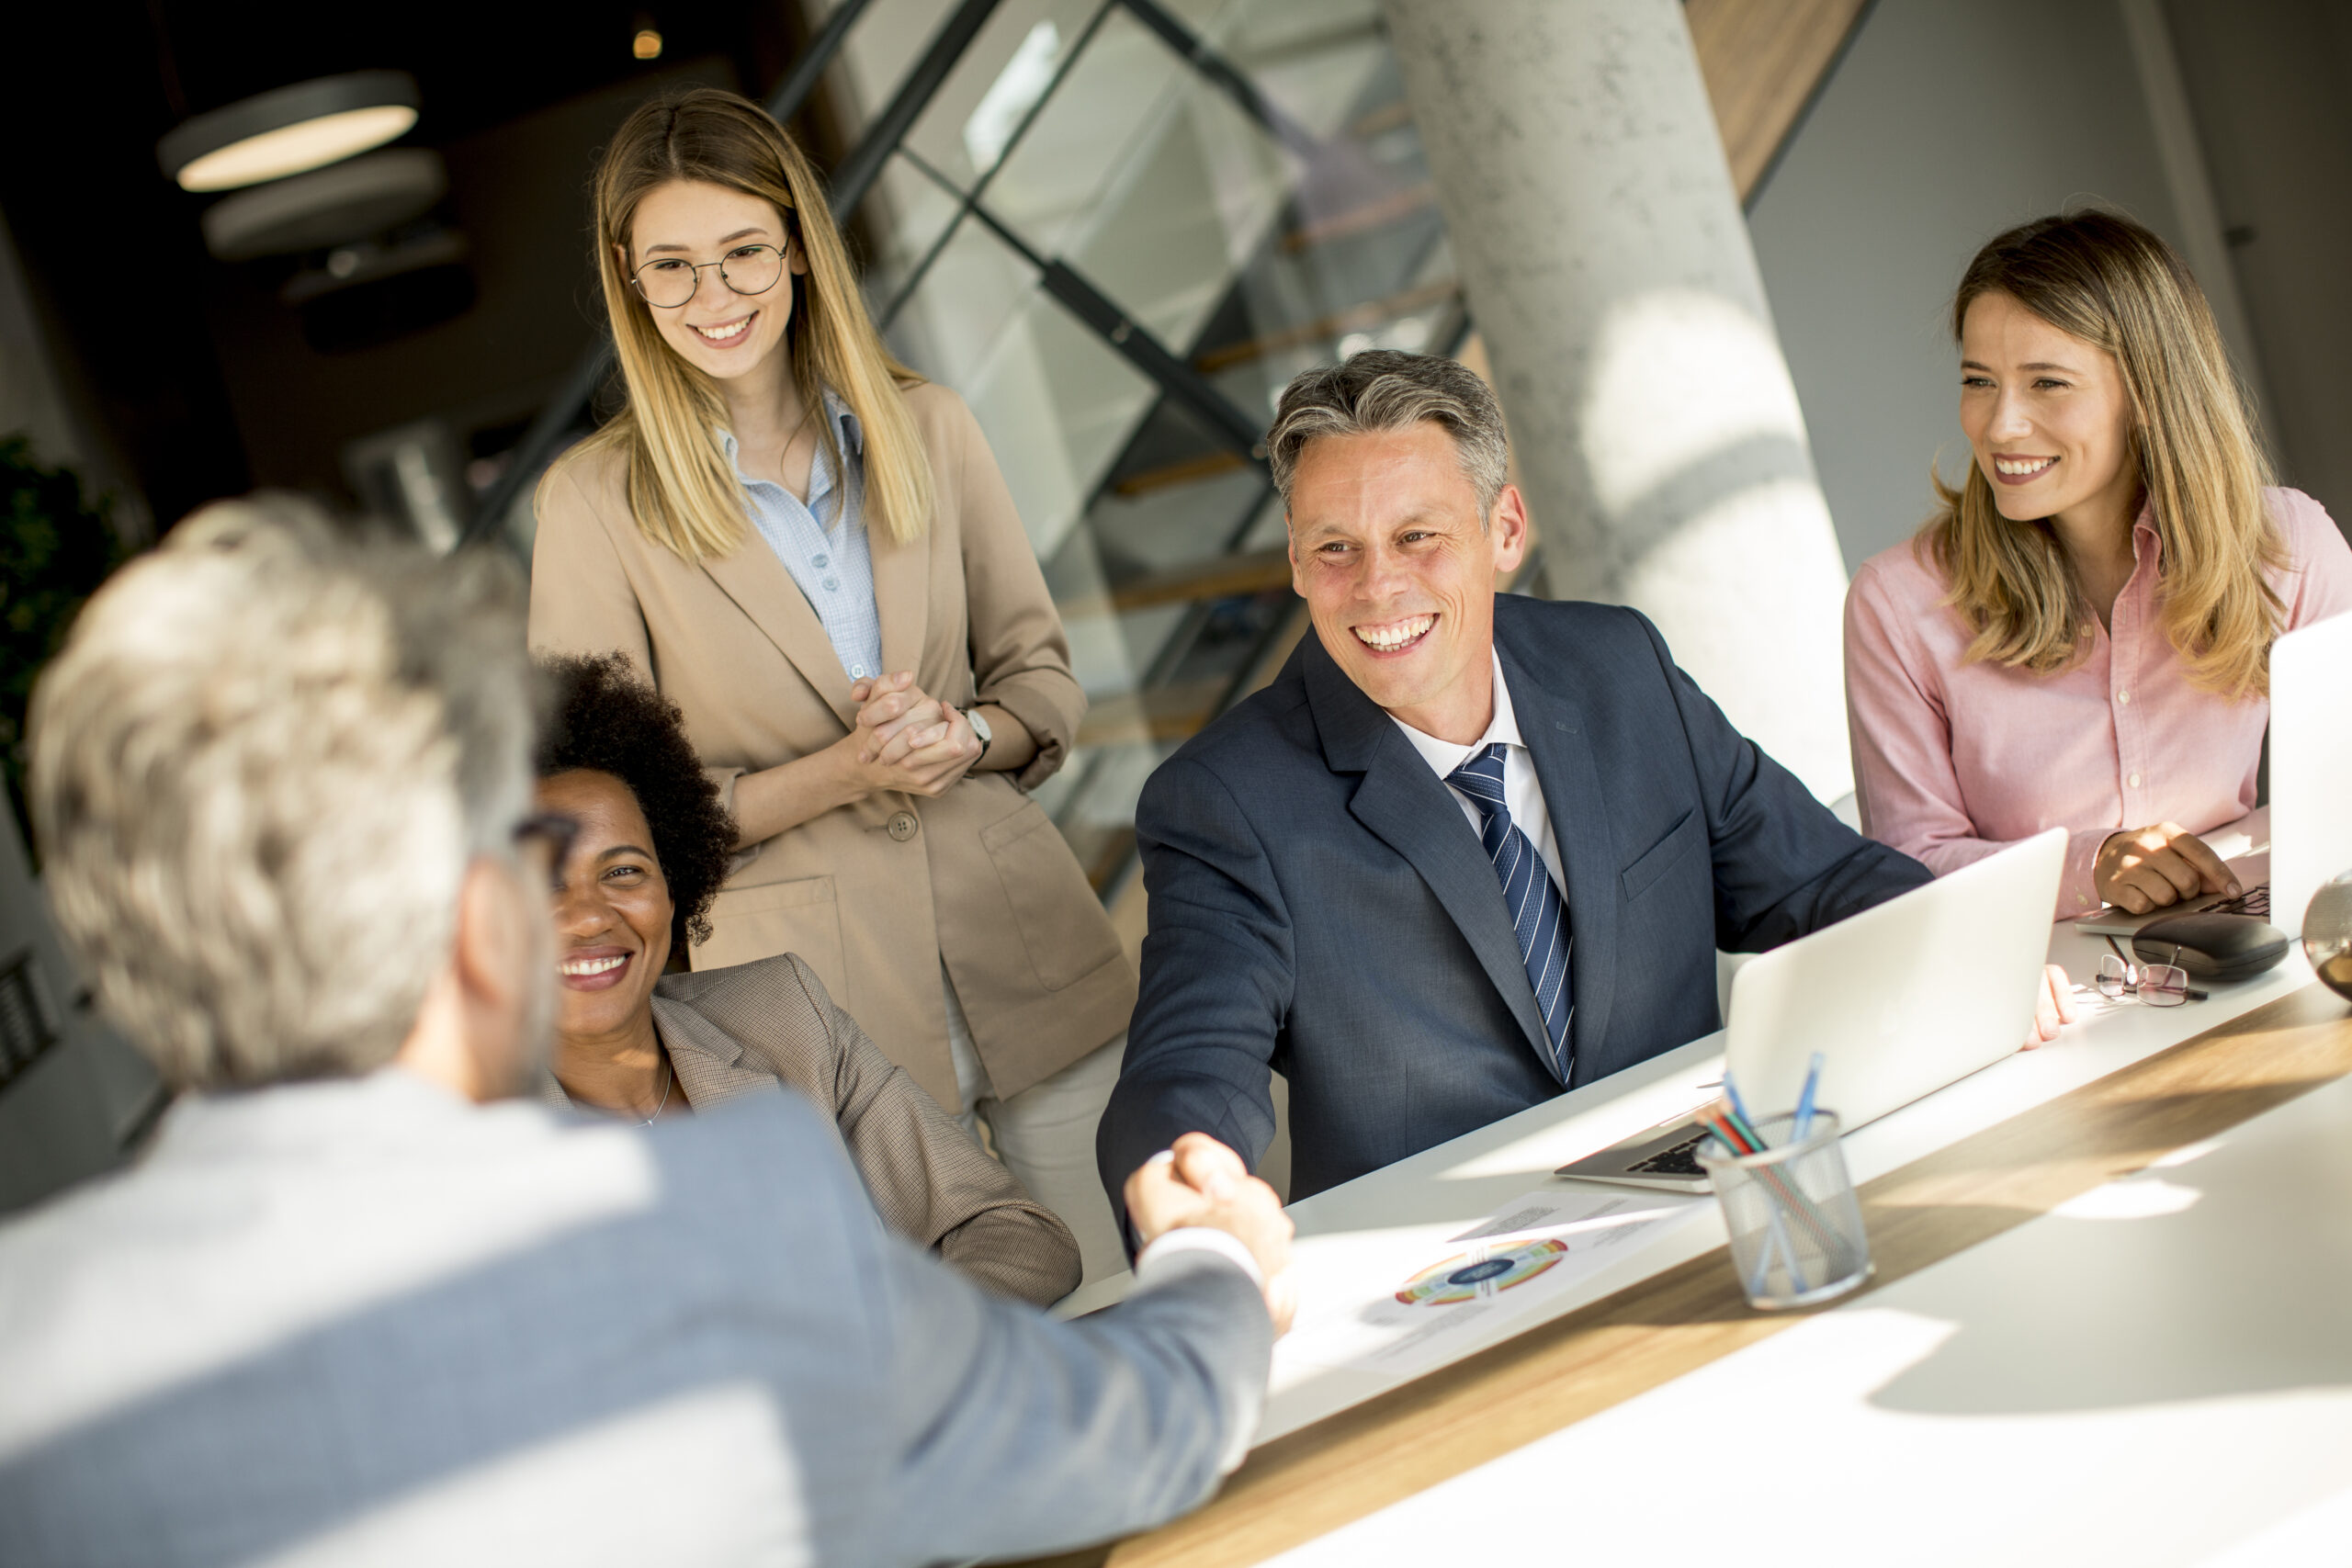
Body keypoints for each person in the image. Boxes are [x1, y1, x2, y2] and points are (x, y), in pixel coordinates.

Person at [0, 498, 1292, 1568]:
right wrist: (1211, 1261)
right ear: (478, 909)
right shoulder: (716, 1215)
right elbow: (1136, 1433)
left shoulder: (29, 1345)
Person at [528, 86, 1132, 1283]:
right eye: (674, 265)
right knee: (951, 1333)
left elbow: (1043, 682)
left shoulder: (929, 425)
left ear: (799, 245)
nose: (716, 295)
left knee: (1138, 1286)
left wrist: (969, 735)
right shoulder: (592, 504)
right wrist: (847, 770)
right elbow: (607, 810)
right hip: (822, 1017)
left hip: (1027, 948)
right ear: (629, 278)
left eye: (744, 251)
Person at [1095, 351, 1933, 1213]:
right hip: (1454, 1260)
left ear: (1505, 529)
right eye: (1336, 548)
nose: (1378, 587)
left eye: (1417, 536)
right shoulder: (1225, 800)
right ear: (1298, 563)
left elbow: (1825, 881)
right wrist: (1183, 1191)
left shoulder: (1621, 666)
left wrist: (1965, 962)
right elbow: (1187, 1061)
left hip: (1715, 1199)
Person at [1846, 210, 2352, 931]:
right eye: (1979, 380)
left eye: (2047, 383)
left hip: (2262, 936)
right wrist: (2090, 866)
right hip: (2049, 977)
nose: (2000, 425)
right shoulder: (1897, 603)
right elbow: (1909, 866)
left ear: (2147, 393)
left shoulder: (2288, 545)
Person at [534, 650, 1080, 1305]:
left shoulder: (783, 1014)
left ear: (673, 885)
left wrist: (898, 1351)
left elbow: (1019, 1234)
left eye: (624, 871)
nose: (591, 916)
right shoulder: (450, 1164)